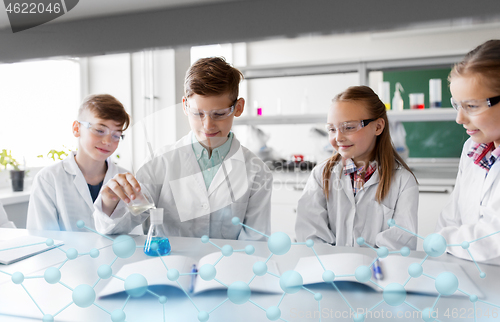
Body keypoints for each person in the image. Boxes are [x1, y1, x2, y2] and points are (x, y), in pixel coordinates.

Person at [93, 57, 272, 240]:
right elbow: (121, 224)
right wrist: (110, 202)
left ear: (238, 108)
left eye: (219, 114)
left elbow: (255, 242)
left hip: (226, 266)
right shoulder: (159, 163)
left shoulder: (257, 172)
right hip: (169, 265)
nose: (208, 125)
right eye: (198, 113)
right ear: (186, 106)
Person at [295, 86, 418, 250]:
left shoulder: (403, 181)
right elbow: (309, 236)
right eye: (332, 129)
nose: (338, 137)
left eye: (349, 127)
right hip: (329, 271)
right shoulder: (321, 175)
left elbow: (401, 242)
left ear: (378, 127)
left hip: (378, 272)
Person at [436, 40, 500, 264]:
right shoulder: (473, 149)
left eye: (472, 106)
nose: (459, 118)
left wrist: (444, 240)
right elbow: (451, 216)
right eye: (457, 105)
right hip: (468, 274)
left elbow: (494, 239)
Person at [26, 94, 131, 231]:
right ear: (76, 128)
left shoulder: (125, 179)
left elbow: (134, 236)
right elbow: (42, 240)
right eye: (99, 130)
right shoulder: (48, 179)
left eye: (116, 135)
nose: (107, 142)